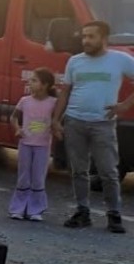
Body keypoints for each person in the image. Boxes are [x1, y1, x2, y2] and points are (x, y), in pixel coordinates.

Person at [52, 21, 134, 233]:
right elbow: (65, 92)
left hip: (103, 124)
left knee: (108, 172)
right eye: (84, 36)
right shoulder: (75, 61)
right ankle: (82, 212)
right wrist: (56, 120)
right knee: (79, 171)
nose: (86, 41)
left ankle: (114, 215)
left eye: (91, 37)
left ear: (104, 39)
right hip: (74, 122)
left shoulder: (120, 59)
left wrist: (124, 105)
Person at [8, 68, 59, 221]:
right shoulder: (25, 101)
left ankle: (35, 209)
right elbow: (13, 117)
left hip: (42, 145)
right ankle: (18, 208)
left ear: (45, 85)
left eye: (34, 80)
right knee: (23, 175)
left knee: (38, 177)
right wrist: (17, 129)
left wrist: (56, 128)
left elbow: (58, 119)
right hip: (25, 144)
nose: (30, 83)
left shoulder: (53, 103)